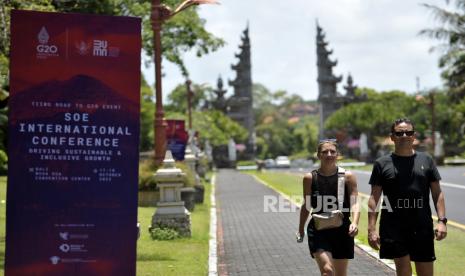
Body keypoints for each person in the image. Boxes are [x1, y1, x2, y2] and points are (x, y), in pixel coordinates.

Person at [368, 118, 447, 276]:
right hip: (393, 226)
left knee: (425, 273)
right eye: (399, 133)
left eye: (408, 132)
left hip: (422, 225)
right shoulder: (382, 163)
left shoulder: (426, 160)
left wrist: (442, 221)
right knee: (403, 271)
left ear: (414, 136)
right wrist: (371, 228)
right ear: (392, 137)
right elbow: (374, 198)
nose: (404, 135)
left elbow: (437, 193)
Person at [298, 139, 360, 276]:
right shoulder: (310, 178)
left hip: (342, 229)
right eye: (325, 152)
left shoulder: (348, 177)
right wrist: (301, 228)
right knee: (327, 270)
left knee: (340, 273)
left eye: (332, 151)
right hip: (319, 229)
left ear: (337, 154)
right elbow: (306, 205)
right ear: (319, 155)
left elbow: (355, 202)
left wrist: (355, 222)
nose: (329, 154)